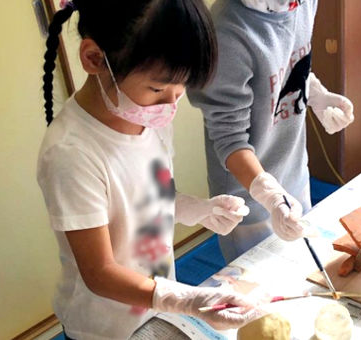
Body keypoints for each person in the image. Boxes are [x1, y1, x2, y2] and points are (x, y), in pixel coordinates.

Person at [37, 1, 260, 339]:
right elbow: (99, 272)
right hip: (104, 326)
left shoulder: (149, 117)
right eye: (157, 89)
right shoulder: (71, 154)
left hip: (157, 307)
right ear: (95, 59)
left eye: (181, 89)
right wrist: (186, 299)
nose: (170, 105)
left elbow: (149, 198)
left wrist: (198, 209)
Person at [188, 0, 354, 262]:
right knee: (261, 292)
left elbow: (286, 66)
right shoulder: (225, 33)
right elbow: (229, 139)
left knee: (306, 268)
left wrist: (315, 95)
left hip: (294, 172)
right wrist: (270, 196)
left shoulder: (302, 4)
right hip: (246, 198)